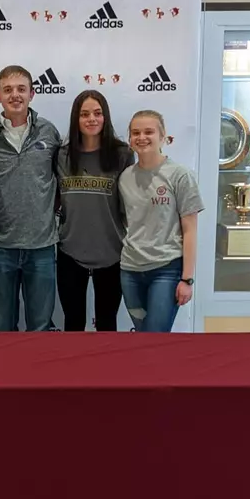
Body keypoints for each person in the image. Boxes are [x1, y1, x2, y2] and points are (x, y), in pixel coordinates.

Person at [0, 65, 62, 332]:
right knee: (2, 327)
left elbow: (60, 183)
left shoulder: (49, 132)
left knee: (40, 326)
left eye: (21, 89)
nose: (15, 95)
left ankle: (39, 375)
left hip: (42, 247)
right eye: (8, 90)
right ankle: (4, 374)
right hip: (1, 247)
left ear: (32, 94)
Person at [56, 90, 135, 332]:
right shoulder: (62, 156)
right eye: (85, 114)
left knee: (107, 325)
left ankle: (105, 371)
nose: (92, 119)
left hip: (112, 252)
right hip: (70, 251)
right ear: (76, 119)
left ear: (106, 117)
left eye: (98, 113)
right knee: (73, 323)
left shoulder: (122, 154)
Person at [119, 110, 203, 332]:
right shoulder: (125, 177)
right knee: (142, 333)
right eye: (136, 132)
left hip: (166, 270)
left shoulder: (180, 175)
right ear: (130, 139)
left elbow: (190, 229)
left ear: (163, 136)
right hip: (130, 270)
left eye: (149, 132)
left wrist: (187, 279)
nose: (142, 137)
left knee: (156, 337)